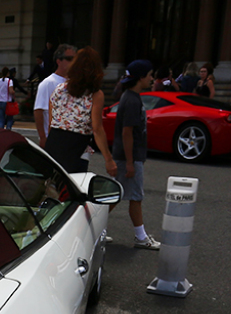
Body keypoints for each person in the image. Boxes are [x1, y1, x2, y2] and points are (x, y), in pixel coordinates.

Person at [44, 47, 116, 177]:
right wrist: (108, 159)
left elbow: (51, 121)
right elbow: (97, 128)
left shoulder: (59, 89)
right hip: (76, 146)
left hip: (54, 142)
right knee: (72, 189)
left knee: (51, 186)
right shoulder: (94, 95)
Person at [114, 60, 160, 250]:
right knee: (134, 197)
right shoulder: (132, 99)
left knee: (117, 194)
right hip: (129, 157)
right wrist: (131, 162)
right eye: (150, 75)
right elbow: (127, 132)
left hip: (128, 156)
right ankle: (140, 237)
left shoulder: (129, 96)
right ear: (140, 77)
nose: (152, 79)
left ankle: (94, 229)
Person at [33, 43, 75, 148]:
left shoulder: (76, 83)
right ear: (58, 61)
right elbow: (39, 111)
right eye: (69, 59)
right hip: (54, 139)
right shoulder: (49, 83)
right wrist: (43, 137)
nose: (74, 62)